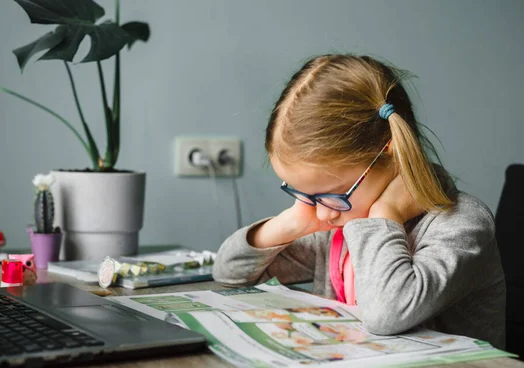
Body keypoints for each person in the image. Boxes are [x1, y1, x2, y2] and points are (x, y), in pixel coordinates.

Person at [213, 54, 506, 349]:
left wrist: (385, 215)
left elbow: (387, 314)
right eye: (306, 195)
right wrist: (292, 221)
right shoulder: (335, 222)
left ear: (388, 151)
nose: (323, 212)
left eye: (333, 194)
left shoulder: (462, 225)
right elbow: (229, 272)